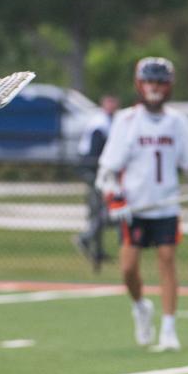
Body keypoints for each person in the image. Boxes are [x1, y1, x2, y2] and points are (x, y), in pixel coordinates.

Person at [95, 57, 188, 352]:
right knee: (128, 269)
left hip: (166, 207)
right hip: (134, 208)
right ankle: (141, 307)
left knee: (167, 260)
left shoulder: (176, 122)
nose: (154, 88)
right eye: (149, 82)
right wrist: (114, 197)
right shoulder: (126, 121)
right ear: (139, 85)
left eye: (159, 82)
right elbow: (106, 170)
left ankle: (169, 328)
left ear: (168, 86)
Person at [73, 94, 119, 270]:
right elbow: (95, 152)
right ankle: (86, 238)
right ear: (103, 103)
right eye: (109, 101)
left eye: (114, 101)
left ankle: (96, 249)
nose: (112, 105)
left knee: (101, 210)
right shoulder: (100, 123)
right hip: (93, 170)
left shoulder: (110, 121)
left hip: (100, 170)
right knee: (102, 210)